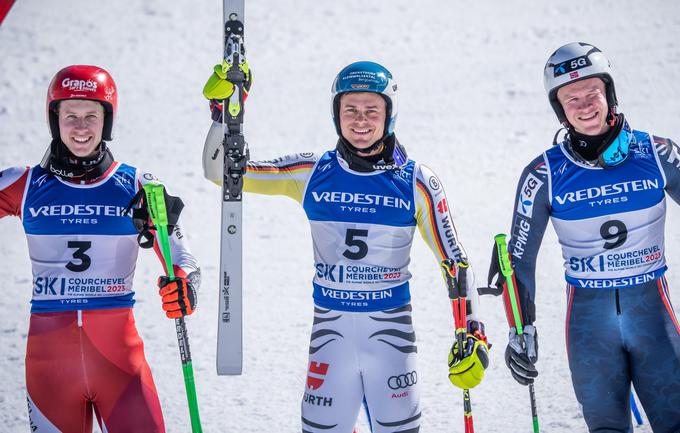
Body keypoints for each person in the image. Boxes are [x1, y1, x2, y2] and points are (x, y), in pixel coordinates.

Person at [202, 60, 489, 432]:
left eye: (373, 110)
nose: (361, 120)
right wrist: (224, 114)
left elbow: (455, 262)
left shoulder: (417, 181)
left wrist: (473, 332)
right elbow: (220, 172)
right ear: (336, 114)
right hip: (330, 338)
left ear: (390, 115)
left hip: (391, 339)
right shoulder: (310, 172)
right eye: (349, 109)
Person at [0, 65, 200, 433]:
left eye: (91, 116)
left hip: (120, 367)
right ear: (54, 119)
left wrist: (185, 285)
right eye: (70, 116)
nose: (80, 127)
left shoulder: (139, 185)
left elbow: (182, 257)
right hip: (50, 371)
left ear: (107, 120)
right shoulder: (24, 183)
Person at [501, 42, 680, 432]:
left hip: (652, 316)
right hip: (589, 326)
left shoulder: (657, 154)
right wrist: (520, 329)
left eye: (592, 93)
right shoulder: (544, 175)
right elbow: (518, 261)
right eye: (571, 99)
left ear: (609, 94)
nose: (584, 106)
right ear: (559, 110)